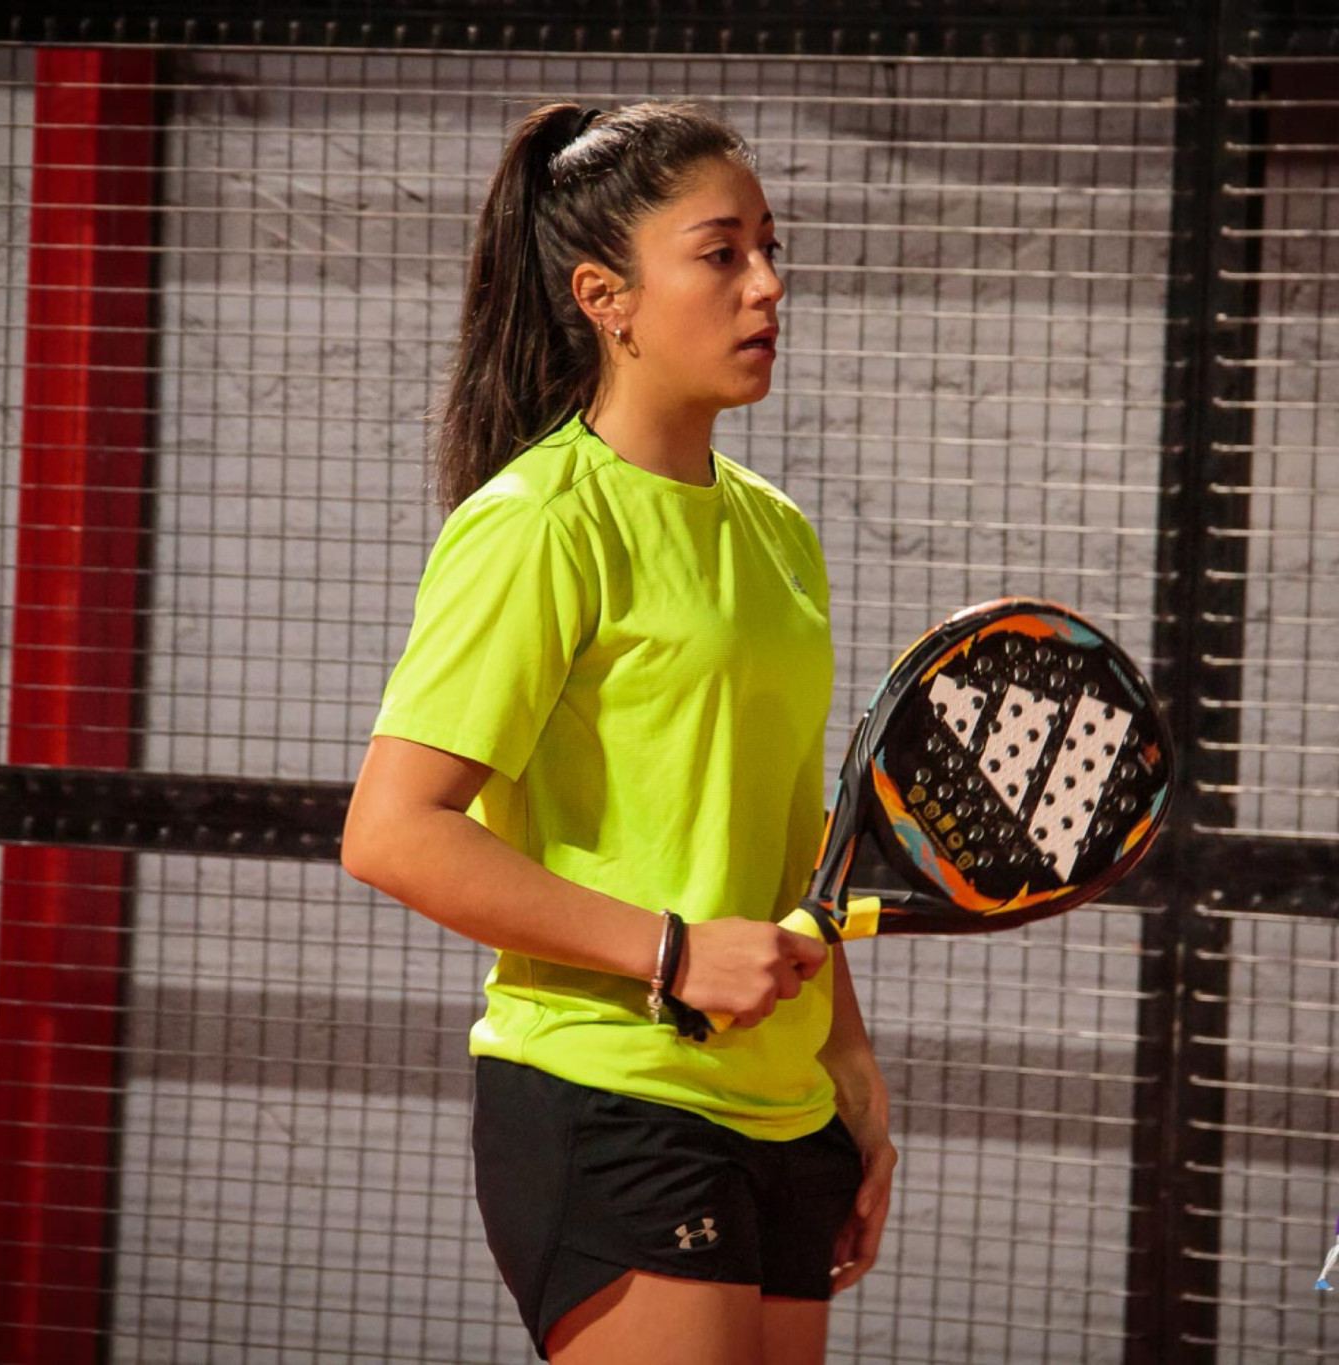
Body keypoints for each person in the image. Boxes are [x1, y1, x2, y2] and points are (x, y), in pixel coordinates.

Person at [340, 101, 896, 1365]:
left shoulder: (776, 532)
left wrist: (850, 1073)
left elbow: (784, 832)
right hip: (609, 1098)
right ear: (605, 298)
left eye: (769, 248)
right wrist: (670, 953)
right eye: (720, 254)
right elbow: (391, 832)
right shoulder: (538, 522)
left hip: (782, 1108)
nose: (766, 284)